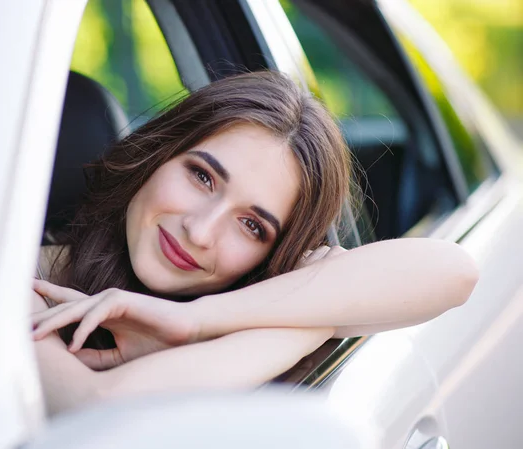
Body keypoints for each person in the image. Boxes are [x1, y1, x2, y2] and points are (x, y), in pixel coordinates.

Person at [30, 71, 479, 416]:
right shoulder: (20, 283)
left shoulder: (256, 295)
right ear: (157, 152)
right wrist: (312, 322)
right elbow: (94, 407)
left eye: (252, 226)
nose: (200, 231)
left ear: (272, 256)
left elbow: (455, 271)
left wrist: (193, 321)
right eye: (201, 176)